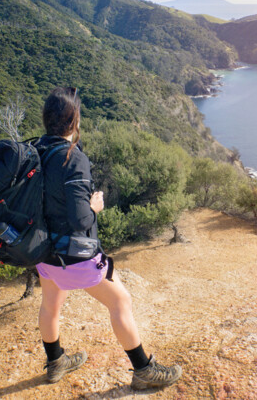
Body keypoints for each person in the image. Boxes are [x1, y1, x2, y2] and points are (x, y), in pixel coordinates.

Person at [35, 86, 183, 390]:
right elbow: (80, 220)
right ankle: (144, 370)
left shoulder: (35, 151)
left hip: (42, 252)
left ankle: (55, 362)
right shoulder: (72, 158)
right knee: (121, 301)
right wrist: (95, 206)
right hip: (74, 254)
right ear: (74, 120)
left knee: (50, 305)